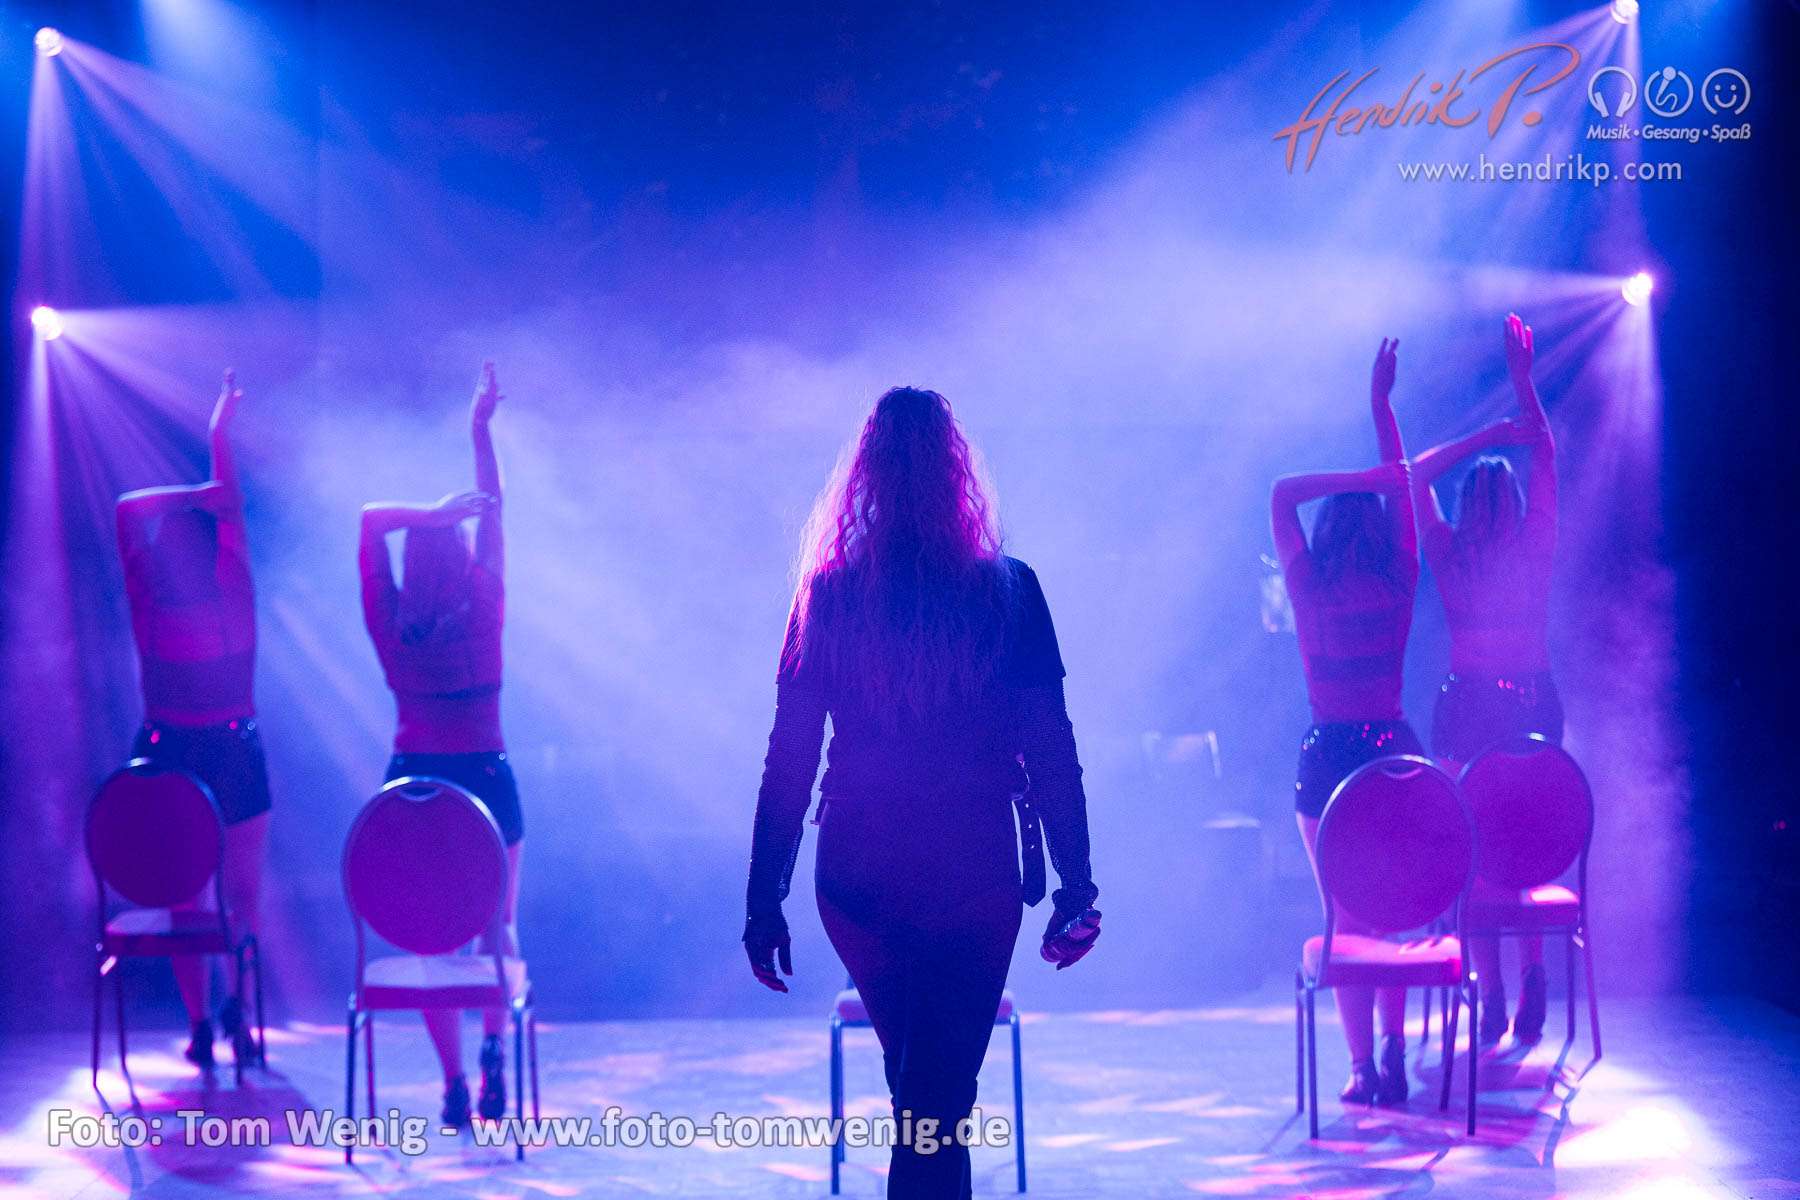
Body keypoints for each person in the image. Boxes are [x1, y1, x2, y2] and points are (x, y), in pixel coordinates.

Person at [743, 386, 1102, 1199]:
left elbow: (789, 760)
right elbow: (1053, 749)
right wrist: (1076, 887)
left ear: (865, 478)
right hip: (973, 868)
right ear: (956, 476)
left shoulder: (827, 597)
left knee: (925, 1093)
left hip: (859, 870)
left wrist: (764, 900)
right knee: (937, 1097)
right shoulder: (1009, 591)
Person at [359, 362, 519, 1126]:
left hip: (413, 787)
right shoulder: (485, 605)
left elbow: (368, 521)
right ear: (462, 554)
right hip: (486, 780)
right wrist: (479, 430)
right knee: (495, 925)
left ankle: (453, 1082)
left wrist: (422, 514)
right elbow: (494, 510)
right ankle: (494, 1049)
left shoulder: (391, 625)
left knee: (432, 940)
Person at [1271, 338, 1422, 1107]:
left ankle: (1363, 1069)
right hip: (1394, 755)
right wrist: (1380, 410)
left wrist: (1355, 481)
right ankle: (1392, 1051)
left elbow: (1281, 495)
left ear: (1326, 532)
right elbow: (1404, 491)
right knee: (1390, 910)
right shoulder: (1400, 579)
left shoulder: (1309, 590)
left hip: (1329, 759)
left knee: (1346, 917)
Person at [1410, 313, 1560, 1046]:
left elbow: (1417, 477)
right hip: (1528, 699)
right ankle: (1528, 975)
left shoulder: (1449, 552)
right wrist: (1524, 388)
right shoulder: (1534, 546)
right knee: (1520, 844)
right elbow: (1547, 455)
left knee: (1472, 848)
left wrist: (1483, 437)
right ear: (1514, 505)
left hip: (1468, 705)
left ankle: (1492, 987)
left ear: (1468, 506)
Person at [116, 369, 269, 1071]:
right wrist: (218, 437)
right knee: (242, 896)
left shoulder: (148, 603)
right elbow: (230, 509)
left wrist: (191, 494)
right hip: (234, 747)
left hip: (167, 748)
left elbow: (127, 511)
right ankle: (239, 1012)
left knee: (186, 896)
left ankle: (202, 1023)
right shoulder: (234, 595)